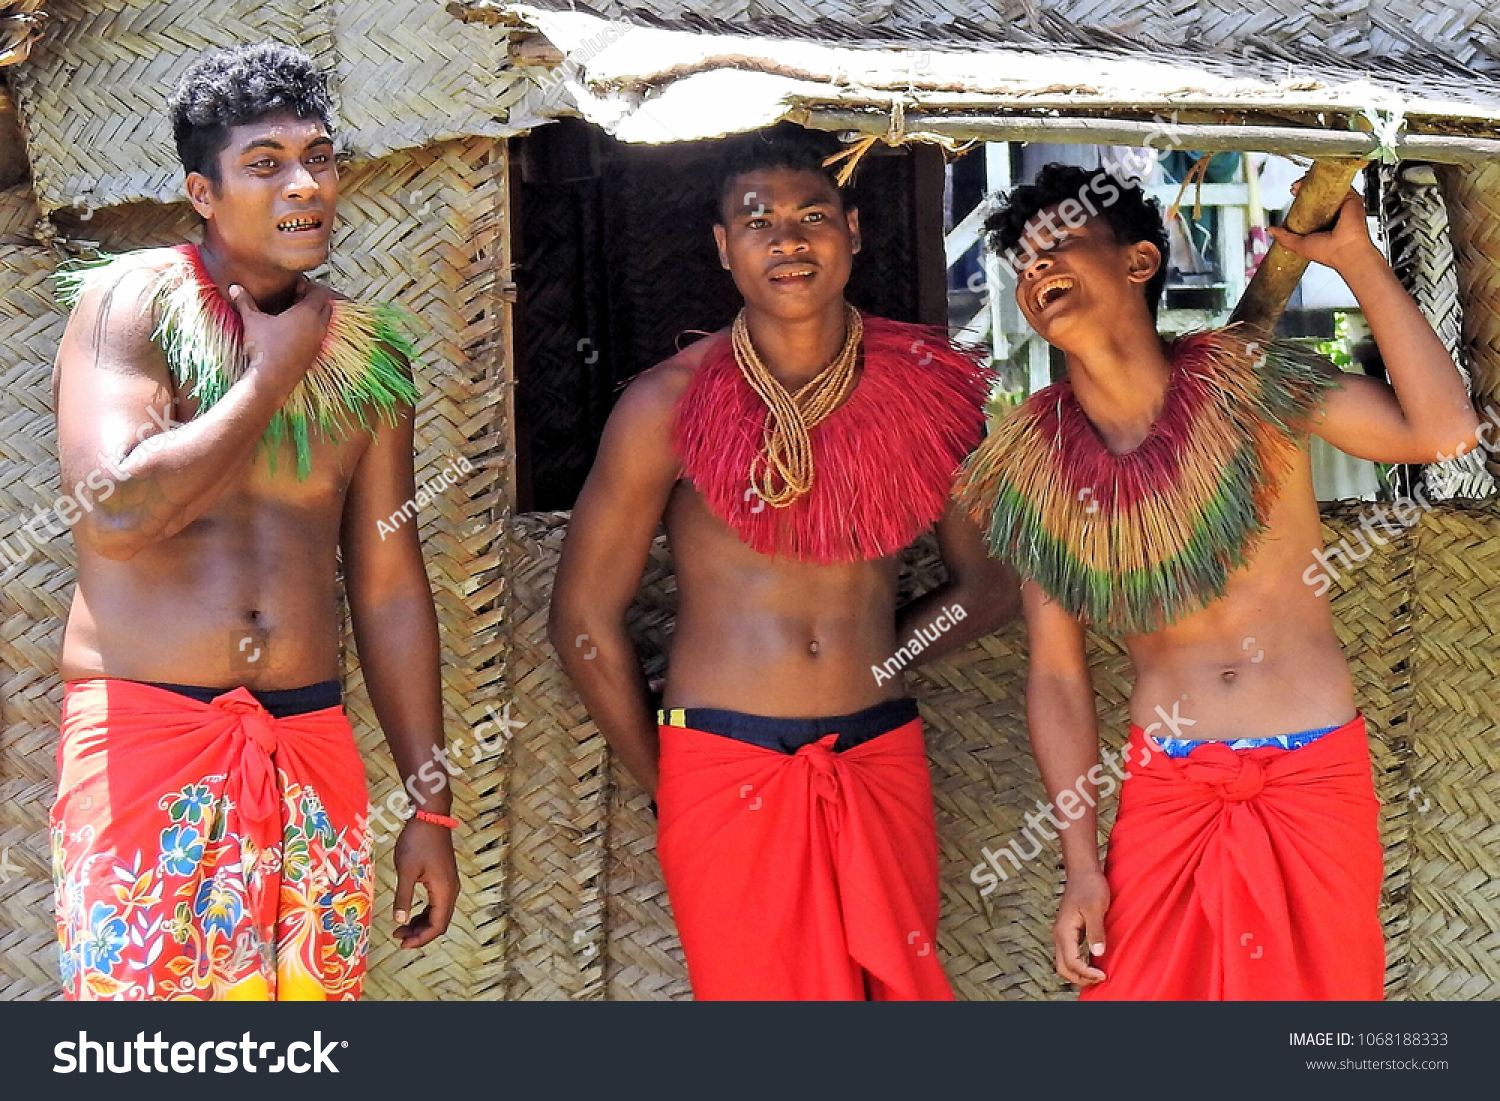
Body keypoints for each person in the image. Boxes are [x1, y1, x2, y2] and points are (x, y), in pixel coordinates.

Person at [956, 163, 1479, 1000]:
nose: (1038, 268)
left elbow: (1444, 431)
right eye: (1024, 261)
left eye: (1061, 243)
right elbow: (1056, 675)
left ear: (1137, 262)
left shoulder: (1253, 379)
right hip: (1171, 790)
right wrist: (1082, 868)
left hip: (1314, 777)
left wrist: (1358, 260)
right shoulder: (1039, 468)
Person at [549, 124, 1019, 1000]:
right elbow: (580, 620)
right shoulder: (668, 405)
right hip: (723, 767)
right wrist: (672, 787)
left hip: (877, 755)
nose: (789, 239)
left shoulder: (925, 389)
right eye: (758, 220)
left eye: (812, 216)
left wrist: (882, 652)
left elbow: (991, 584)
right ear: (725, 248)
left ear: (853, 230)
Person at [49, 42, 458, 1001]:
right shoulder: (131, 304)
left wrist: (429, 805)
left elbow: (391, 589)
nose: (303, 184)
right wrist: (271, 375)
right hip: (151, 737)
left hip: (308, 745)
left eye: (319, 157)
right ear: (203, 191)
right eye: (265, 165)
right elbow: (114, 512)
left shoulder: (366, 356)